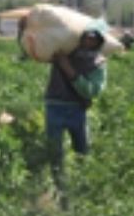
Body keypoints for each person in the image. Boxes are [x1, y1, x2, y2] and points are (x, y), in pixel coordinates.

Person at [45, 20, 109, 178]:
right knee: (55, 152)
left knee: (82, 150)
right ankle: (58, 186)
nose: (88, 41)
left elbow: (91, 91)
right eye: (86, 37)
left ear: (99, 41)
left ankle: (82, 184)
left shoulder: (98, 64)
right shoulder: (64, 52)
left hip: (77, 109)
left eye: (93, 38)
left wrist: (69, 71)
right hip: (55, 105)